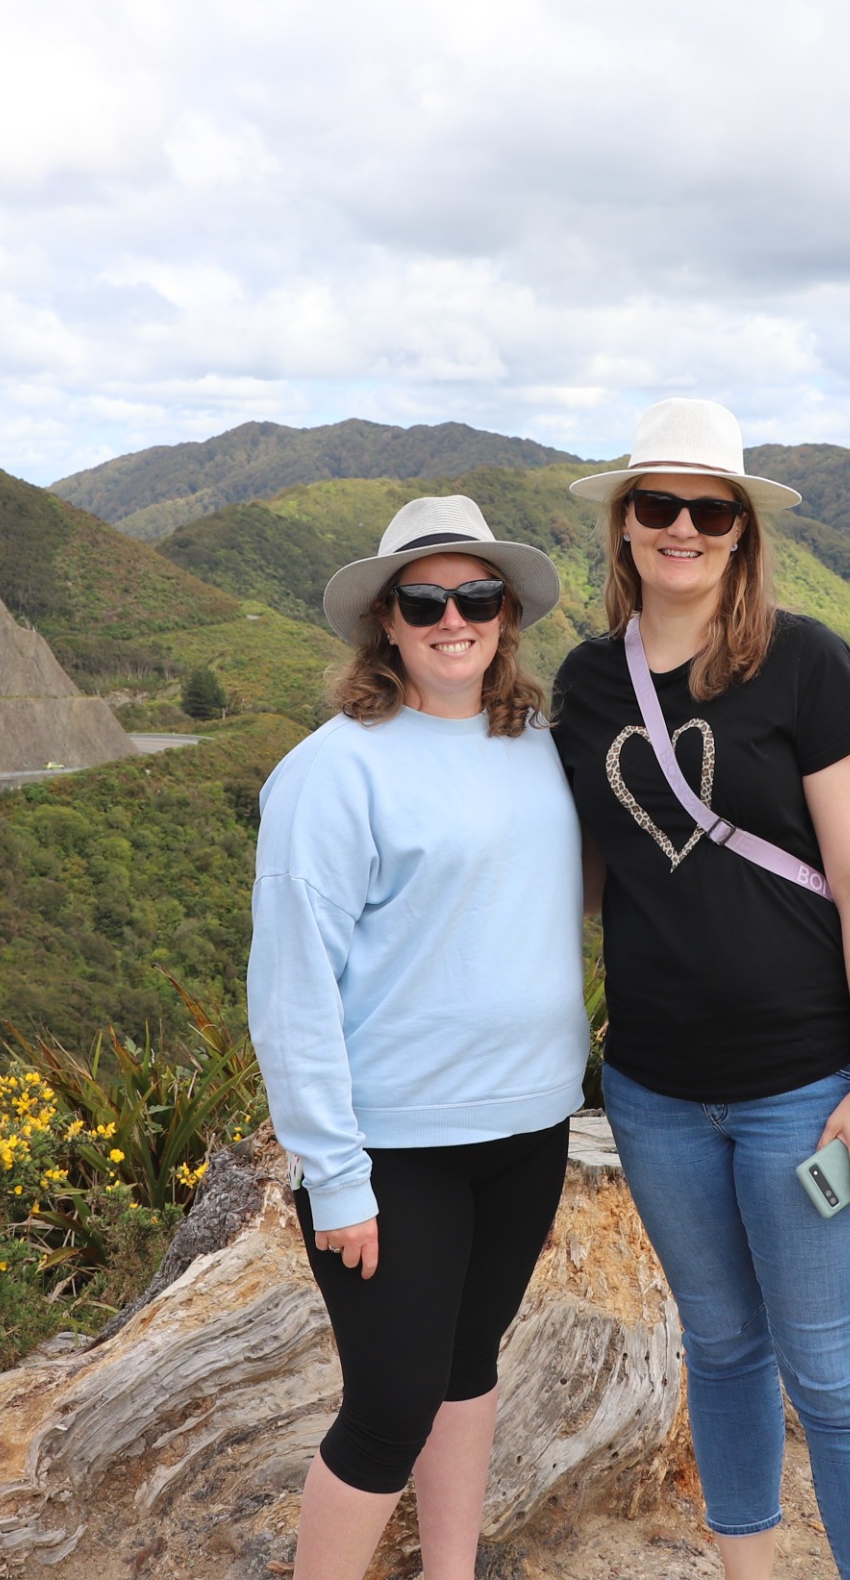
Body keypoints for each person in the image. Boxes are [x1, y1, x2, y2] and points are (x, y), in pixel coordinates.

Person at [551, 397, 850, 1580]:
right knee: (720, 1343)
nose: (683, 529)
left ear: (741, 532)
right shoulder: (585, 684)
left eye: (709, 510)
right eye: (658, 505)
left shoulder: (804, 663)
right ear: (622, 527)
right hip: (657, 1092)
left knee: (836, 1368)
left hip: (808, 1088)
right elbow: (586, 880)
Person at [246, 494, 591, 1580]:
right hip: (391, 1148)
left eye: (477, 596)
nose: (456, 618)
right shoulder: (332, 770)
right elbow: (293, 985)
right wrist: (332, 1171)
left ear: (506, 615)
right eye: (426, 600)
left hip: (529, 1126)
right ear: (385, 623)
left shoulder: (539, 747)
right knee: (389, 1403)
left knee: (465, 1363)